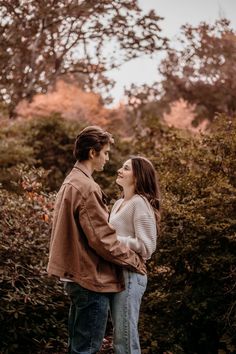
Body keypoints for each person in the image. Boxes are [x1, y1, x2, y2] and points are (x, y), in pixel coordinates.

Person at [47, 126, 146, 354]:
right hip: (89, 279)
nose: (107, 158)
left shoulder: (70, 181)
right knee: (86, 348)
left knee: (77, 346)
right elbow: (103, 240)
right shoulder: (87, 187)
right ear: (93, 153)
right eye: (106, 152)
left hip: (76, 277)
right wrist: (134, 261)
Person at [109, 156, 161, 354]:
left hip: (131, 274)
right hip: (117, 273)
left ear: (137, 177)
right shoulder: (118, 203)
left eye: (126, 168)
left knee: (125, 339)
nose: (120, 170)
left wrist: (114, 238)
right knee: (120, 338)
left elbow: (147, 246)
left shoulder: (139, 203)